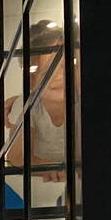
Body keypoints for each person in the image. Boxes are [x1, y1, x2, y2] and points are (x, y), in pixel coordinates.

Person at [5, 20, 66, 182]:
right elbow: (17, 157)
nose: (58, 77)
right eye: (47, 71)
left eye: (65, 66)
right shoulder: (28, 106)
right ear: (32, 80)